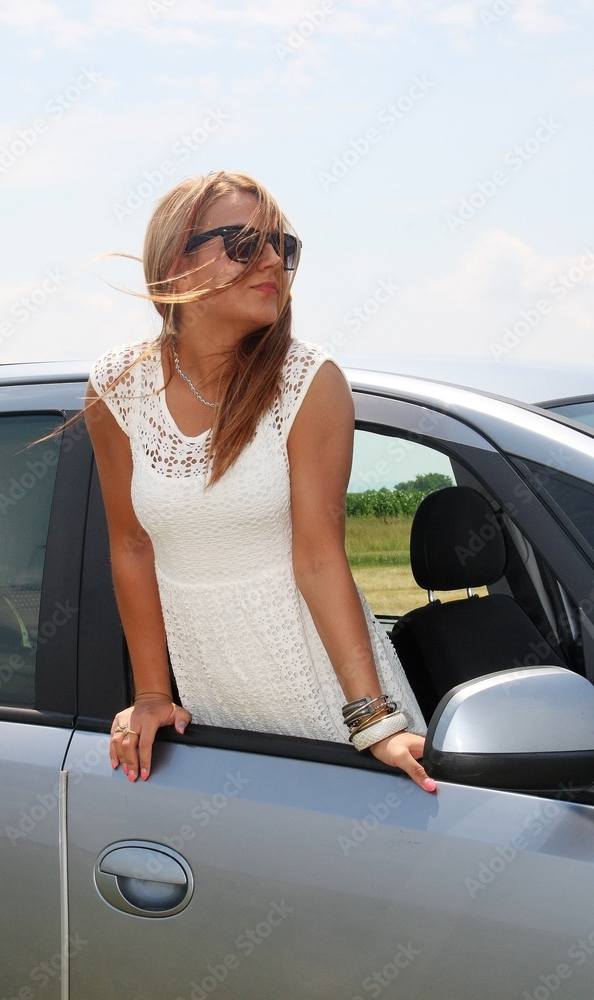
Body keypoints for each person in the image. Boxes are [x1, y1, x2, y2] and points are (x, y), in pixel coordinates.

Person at [86, 171, 436, 793]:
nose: (273, 259)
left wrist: (375, 722)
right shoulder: (117, 388)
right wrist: (151, 693)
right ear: (176, 262)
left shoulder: (309, 381)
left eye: (282, 245)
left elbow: (320, 559)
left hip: (335, 712)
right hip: (217, 721)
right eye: (245, 243)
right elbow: (132, 546)